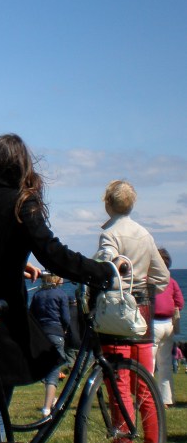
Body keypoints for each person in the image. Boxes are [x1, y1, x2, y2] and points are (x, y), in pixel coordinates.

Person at [0, 134, 113, 408]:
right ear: (22, 165)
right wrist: (99, 271)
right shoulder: (21, 202)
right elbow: (53, 254)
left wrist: (9, 260)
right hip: (1, 315)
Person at [94, 179, 169, 442]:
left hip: (118, 313)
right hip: (143, 312)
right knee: (145, 385)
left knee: (119, 385)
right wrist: (141, 286)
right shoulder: (144, 235)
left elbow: (108, 264)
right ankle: (153, 438)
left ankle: (124, 438)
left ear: (108, 203)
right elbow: (162, 277)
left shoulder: (110, 234)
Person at [29, 273, 70, 416]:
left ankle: (51, 399)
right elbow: (65, 318)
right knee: (54, 371)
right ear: (58, 279)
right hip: (56, 333)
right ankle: (47, 407)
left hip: (41, 335)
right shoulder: (61, 295)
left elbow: (31, 315)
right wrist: (65, 329)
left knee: (43, 368)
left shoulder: (37, 295)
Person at [151, 247, 183, 407]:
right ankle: (167, 398)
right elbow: (180, 303)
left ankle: (148, 399)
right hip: (168, 324)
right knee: (165, 364)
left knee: (149, 363)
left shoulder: (149, 279)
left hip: (153, 323)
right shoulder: (172, 281)